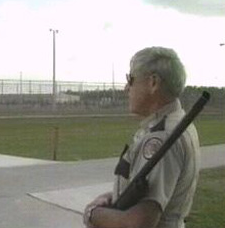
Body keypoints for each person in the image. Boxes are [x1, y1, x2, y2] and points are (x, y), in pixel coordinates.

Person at [83, 47, 200, 228]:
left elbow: (137, 224)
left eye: (131, 79)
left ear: (153, 83)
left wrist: (92, 213)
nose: (126, 88)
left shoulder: (162, 137)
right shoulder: (176, 123)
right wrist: (117, 195)